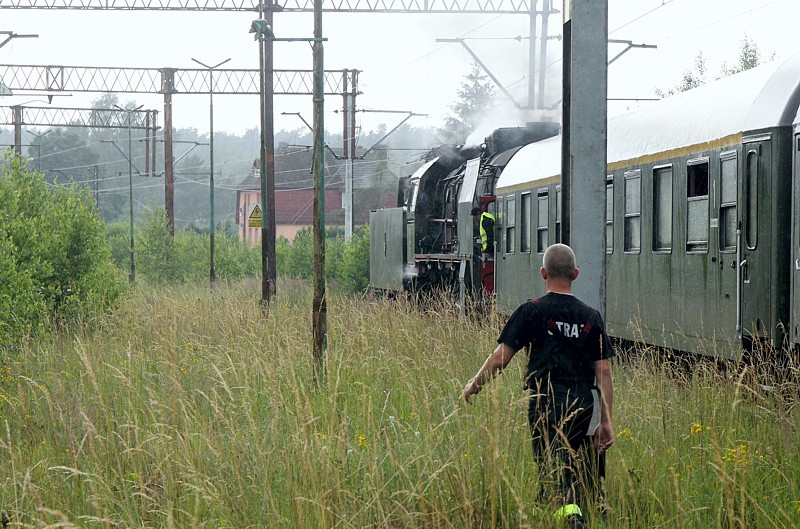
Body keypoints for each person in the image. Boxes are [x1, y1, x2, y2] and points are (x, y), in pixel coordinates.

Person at [462, 243, 614, 529]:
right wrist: (606, 420)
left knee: (552, 467)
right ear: (576, 274)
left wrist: (474, 385)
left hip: (545, 403)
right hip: (584, 404)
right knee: (584, 466)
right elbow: (604, 371)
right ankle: (589, 513)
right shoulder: (591, 316)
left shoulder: (531, 311)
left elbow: (499, 360)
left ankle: (570, 517)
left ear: (543, 273)